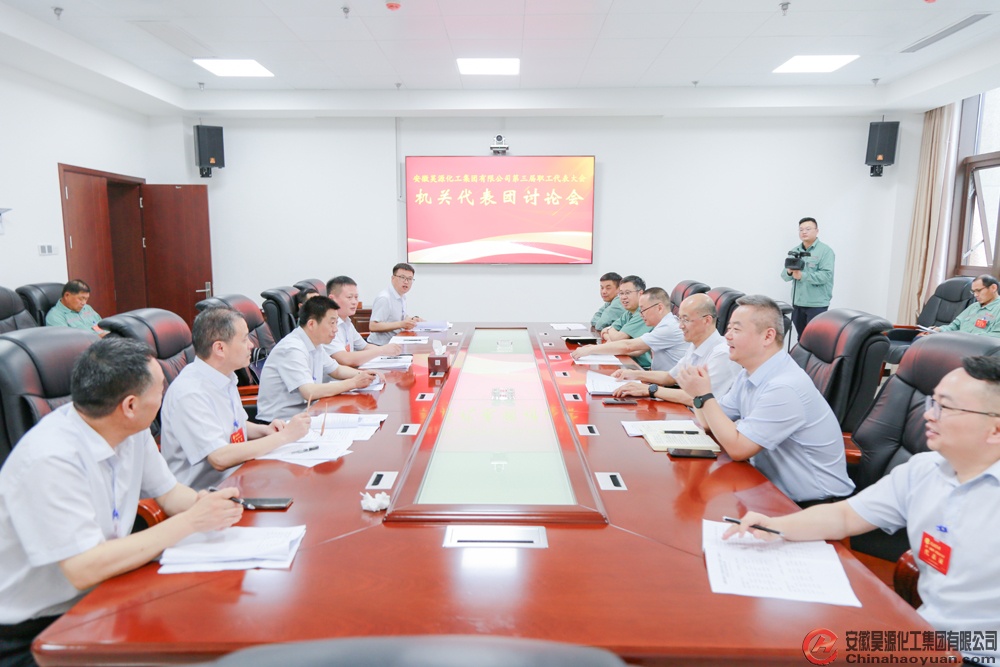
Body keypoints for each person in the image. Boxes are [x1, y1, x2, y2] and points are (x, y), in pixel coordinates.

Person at [725, 356, 1000, 666]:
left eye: (945, 407)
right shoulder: (924, 470)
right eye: (931, 402)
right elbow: (845, 516)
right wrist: (776, 525)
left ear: (995, 429)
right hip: (924, 636)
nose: (928, 415)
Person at [0, 337, 243, 666]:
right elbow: (83, 568)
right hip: (34, 632)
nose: (165, 394)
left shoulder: (132, 429)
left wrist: (212, 505)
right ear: (130, 405)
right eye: (160, 388)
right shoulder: (50, 458)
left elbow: (170, 494)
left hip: (103, 595)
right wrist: (191, 521)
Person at [675, 294, 854, 506]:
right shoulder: (748, 374)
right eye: (728, 328)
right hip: (766, 487)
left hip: (813, 506)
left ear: (768, 336)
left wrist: (704, 395)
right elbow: (708, 423)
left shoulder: (784, 387)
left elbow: (738, 448)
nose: (727, 336)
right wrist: (698, 394)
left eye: (736, 330)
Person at [160, 308, 311, 490]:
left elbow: (234, 425)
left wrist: (265, 430)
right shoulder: (190, 393)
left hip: (239, 476)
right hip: (206, 494)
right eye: (244, 339)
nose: (251, 345)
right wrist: (285, 436)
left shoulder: (225, 376)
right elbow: (219, 457)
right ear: (220, 348)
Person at [256, 295, 378, 421]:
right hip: (280, 423)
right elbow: (309, 392)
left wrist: (366, 375)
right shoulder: (292, 348)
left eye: (336, 323)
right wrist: (353, 383)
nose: (335, 329)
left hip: (308, 414)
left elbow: (336, 370)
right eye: (332, 323)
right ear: (311, 324)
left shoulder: (315, 343)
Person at [610, 293, 741, 406]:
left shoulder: (722, 354)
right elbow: (670, 377)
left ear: (707, 320)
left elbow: (700, 398)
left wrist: (650, 390)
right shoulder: (695, 345)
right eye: (680, 319)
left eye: (686, 320)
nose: (680, 326)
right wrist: (634, 374)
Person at [572, 287, 688, 371]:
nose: (641, 314)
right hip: (659, 377)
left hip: (671, 385)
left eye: (643, 309)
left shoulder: (668, 327)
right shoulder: (665, 324)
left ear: (659, 308)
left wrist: (592, 350)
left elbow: (628, 346)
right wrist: (597, 351)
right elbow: (637, 350)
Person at [326, 276, 403, 367]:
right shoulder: (327, 326)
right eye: (349, 297)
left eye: (356, 297)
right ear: (332, 299)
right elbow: (346, 359)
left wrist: (389, 350)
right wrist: (382, 350)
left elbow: (364, 347)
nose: (354, 302)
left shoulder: (347, 321)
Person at [781, 217, 834, 338]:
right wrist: (789, 271)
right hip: (797, 303)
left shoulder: (825, 251)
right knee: (802, 337)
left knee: (814, 338)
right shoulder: (795, 251)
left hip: (816, 304)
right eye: (801, 229)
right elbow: (784, 276)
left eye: (808, 229)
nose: (804, 232)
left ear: (817, 231)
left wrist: (802, 275)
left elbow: (826, 276)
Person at [928, 274, 1000, 338]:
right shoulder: (974, 306)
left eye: (978, 290)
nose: (975, 295)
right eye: (973, 291)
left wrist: (968, 338)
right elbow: (954, 326)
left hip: (977, 346)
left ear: (993, 288)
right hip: (958, 343)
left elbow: (996, 336)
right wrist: (939, 330)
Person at [367, 263, 422, 346]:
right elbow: (373, 326)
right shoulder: (384, 298)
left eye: (410, 279)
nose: (406, 282)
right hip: (380, 346)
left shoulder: (402, 296)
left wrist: (413, 319)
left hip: (396, 342)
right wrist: (401, 324)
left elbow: (400, 317)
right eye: (402, 277)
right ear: (393, 278)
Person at [600, 275, 653, 346]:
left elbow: (617, 338)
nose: (623, 297)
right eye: (621, 293)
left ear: (640, 294)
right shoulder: (628, 313)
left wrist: (609, 330)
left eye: (627, 293)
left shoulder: (643, 313)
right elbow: (606, 333)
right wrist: (611, 334)